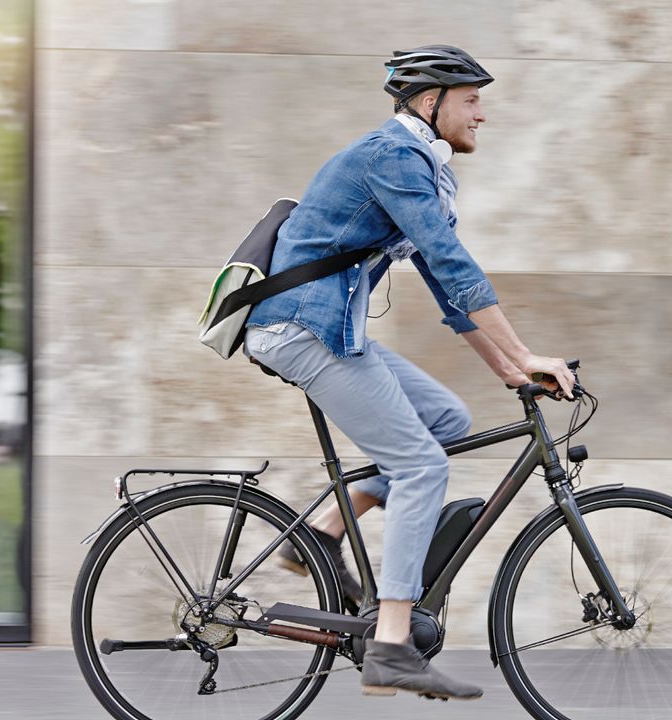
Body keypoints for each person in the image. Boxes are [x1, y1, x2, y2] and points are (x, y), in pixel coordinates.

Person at [243, 45, 574, 701]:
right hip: (303, 327)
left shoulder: (415, 166)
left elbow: (450, 294)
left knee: (446, 420)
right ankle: (392, 644)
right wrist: (528, 353)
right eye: (472, 99)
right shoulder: (394, 157)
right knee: (423, 466)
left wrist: (513, 370)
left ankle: (320, 531)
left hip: (327, 327)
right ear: (431, 103)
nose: (482, 113)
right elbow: (455, 265)